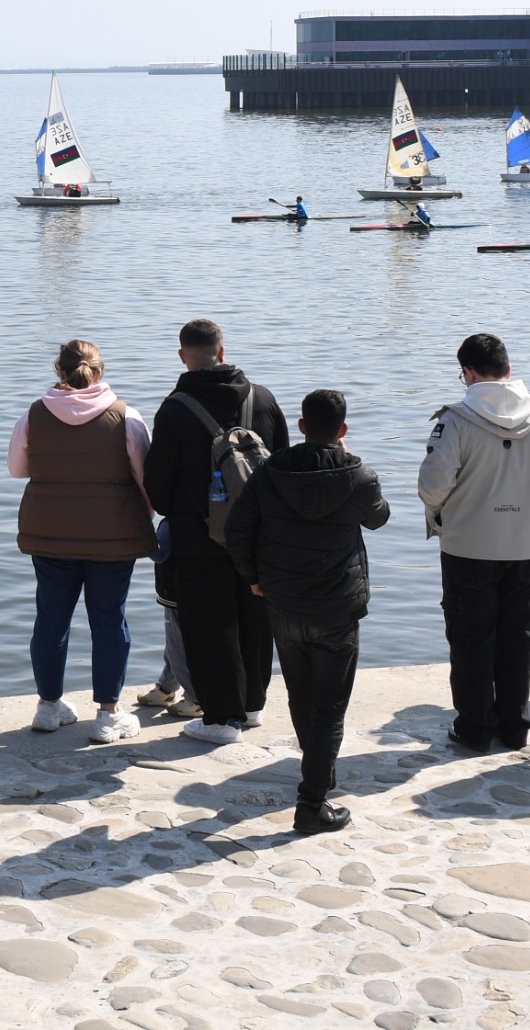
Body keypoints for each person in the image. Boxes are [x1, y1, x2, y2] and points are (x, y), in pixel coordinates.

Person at [226, 390, 389, 835]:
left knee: (302, 694)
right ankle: (312, 803)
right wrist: (351, 463)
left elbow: (237, 529)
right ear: (342, 431)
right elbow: (379, 518)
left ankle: (318, 770)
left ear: (301, 426)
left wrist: (253, 577)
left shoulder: (269, 473)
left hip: (283, 603)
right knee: (330, 705)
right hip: (337, 606)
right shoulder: (358, 476)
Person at [417, 333, 530, 752]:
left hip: (468, 543)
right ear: (508, 367)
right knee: (518, 633)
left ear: (468, 372)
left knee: (470, 636)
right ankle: (515, 725)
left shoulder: (455, 420)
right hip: (525, 543)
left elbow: (432, 486)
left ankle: (474, 727)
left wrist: (446, 509)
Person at [145, 319, 285, 747]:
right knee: (256, 616)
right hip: (258, 534)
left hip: (198, 536)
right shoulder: (262, 399)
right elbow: (280, 466)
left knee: (209, 625)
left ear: (183, 356)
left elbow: (158, 487)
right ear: (223, 352)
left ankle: (221, 719)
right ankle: (253, 705)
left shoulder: (175, 408)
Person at [9, 340, 155, 743]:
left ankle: (48, 707)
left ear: (59, 370)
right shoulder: (126, 417)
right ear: (99, 372)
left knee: (51, 619)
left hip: (50, 532)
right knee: (109, 619)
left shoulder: (34, 415)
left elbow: (16, 469)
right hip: (113, 537)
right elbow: (147, 480)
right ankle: (108, 715)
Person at [129, 520, 200, 720]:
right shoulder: (198, 510)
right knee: (175, 643)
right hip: (191, 589)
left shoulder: (170, 523)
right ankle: (167, 687)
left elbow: (158, 554)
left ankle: (195, 699)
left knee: (178, 645)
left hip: (175, 592)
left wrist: (140, 530)